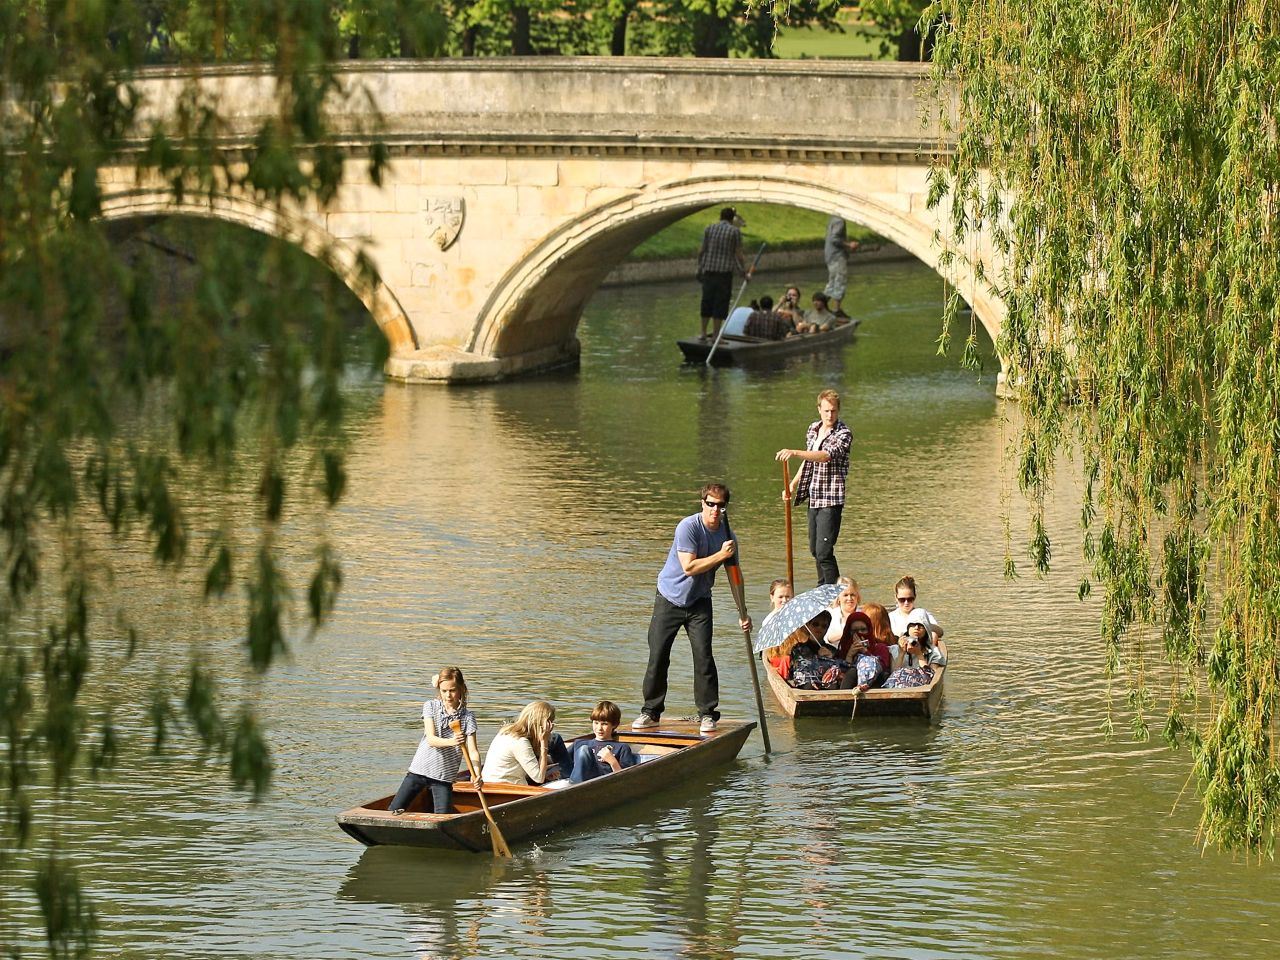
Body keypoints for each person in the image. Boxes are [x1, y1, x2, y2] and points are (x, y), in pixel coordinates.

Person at [634, 483, 752, 735]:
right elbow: (689, 567)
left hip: (699, 601)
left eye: (721, 506)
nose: (715, 510)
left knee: (703, 656)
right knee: (658, 655)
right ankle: (650, 712)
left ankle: (708, 714)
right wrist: (721, 555)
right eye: (711, 504)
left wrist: (743, 612)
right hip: (669, 598)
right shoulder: (688, 527)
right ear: (702, 503)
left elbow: (734, 575)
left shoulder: (728, 536)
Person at [775, 390, 853, 585]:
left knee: (824, 551)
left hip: (831, 498)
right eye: (826, 411)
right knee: (814, 550)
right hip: (814, 496)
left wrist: (794, 452)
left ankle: (833, 593)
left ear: (838, 411)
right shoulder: (813, 429)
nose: (830, 415)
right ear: (819, 409)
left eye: (833, 411)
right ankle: (823, 588)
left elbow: (825, 455)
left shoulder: (844, 433)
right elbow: (809, 461)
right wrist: (792, 485)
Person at [388, 667, 480, 816]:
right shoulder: (430, 706)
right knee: (392, 811)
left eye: (452, 690)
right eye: (444, 691)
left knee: (442, 819)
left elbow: (473, 751)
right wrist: (453, 741)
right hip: (418, 772)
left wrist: (477, 775)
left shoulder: (468, 717)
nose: (448, 695)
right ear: (439, 690)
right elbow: (431, 739)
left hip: (443, 778)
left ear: (461, 689)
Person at [481, 700, 572, 786]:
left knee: (557, 740)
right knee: (559, 741)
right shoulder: (521, 742)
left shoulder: (505, 731)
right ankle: (571, 779)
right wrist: (544, 743)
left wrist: (547, 771)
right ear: (541, 725)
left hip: (490, 782)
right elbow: (539, 778)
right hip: (509, 787)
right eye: (550, 723)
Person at [696, 207, 751, 340]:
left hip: (708, 271)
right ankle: (715, 335)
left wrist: (699, 267)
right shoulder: (734, 231)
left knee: (707, 300)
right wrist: (743, 273)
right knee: (720, 303)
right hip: (724, 274)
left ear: (720, 216)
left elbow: (702, 250)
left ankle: (703, 333)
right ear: (732, 218)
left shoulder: (709, 228)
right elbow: (738, 254)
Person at [569, 700, 639, 783]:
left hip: (598, 782)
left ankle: (574, 787)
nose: (599, 728)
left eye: (604, 724)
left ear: (614, 725)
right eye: (596, 723)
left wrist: (612, 761)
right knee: (556, 739)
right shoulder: (579, 743)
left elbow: (627, 779)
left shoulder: (622, 748)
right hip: (573, 776)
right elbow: (560, 760)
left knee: (584, 750)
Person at [883, 611, 948, 688]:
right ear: (908, 628)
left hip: (921, 686)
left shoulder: (933, 651)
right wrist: (901, 654)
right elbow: (893, 675)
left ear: (926, 629)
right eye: (913, 625)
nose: (916, 628)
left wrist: (919, 655)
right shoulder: (895, 649)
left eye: (921, 626)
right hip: (898, 687)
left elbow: (932, 678)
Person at [889, 575, 946, 657]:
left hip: (921, 654)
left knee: (934, 635)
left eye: (910, 599)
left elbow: (940, 632)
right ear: (896, 598)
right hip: (899, 655)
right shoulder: (891, 617)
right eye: (902, 600)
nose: (906, 603)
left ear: (915, 597)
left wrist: (924, 625)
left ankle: (930, 662)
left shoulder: (922, 614)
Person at [823, 215, 860, 318]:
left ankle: (823, 306)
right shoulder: (839, 221)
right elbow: (835, 239)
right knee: (839, 281)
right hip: (837, 256)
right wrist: (849, 245)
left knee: (832, 281)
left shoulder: (833, 218)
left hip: (830, 255)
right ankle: (836, 309)